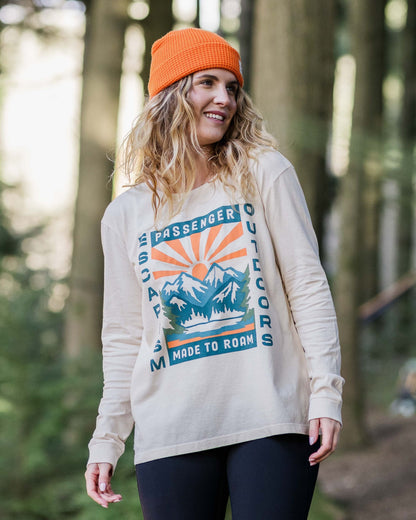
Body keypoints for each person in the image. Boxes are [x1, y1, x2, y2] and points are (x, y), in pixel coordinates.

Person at [85, 28, 344, 519]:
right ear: (170, 96)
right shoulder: (125, 215)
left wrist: (326, 393)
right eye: (206, 83)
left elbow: (308, 286)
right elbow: (123, 338)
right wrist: (107, 438)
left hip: (271, 418)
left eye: (231, 87)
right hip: (170, 432)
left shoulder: (265, 172)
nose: (224, 98)